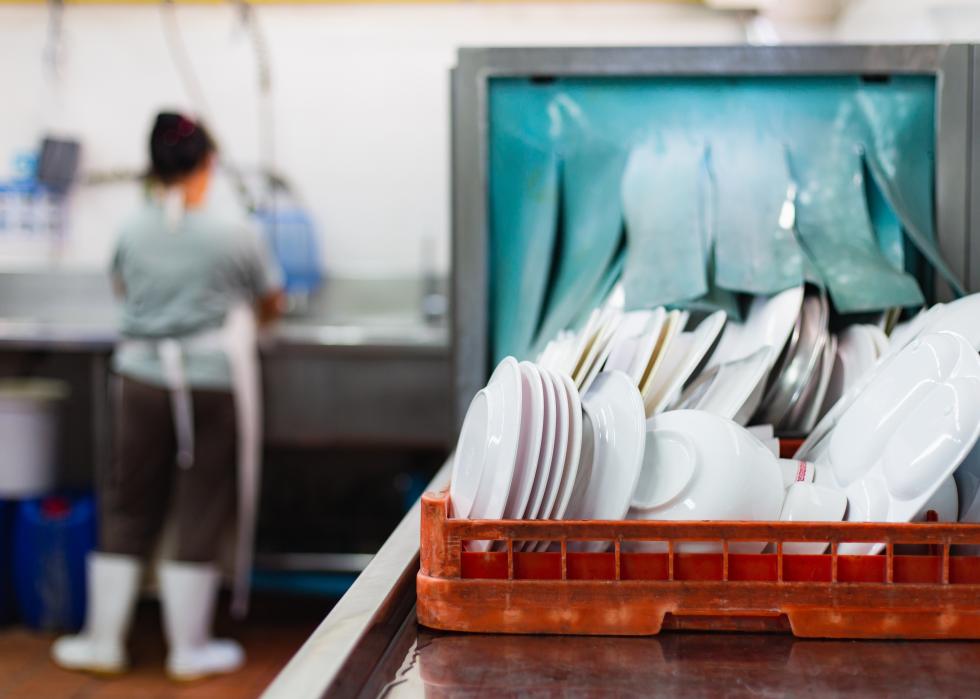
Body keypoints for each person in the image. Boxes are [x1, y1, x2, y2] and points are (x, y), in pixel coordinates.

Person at [52, 112, 284, 680]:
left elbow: (122, 288)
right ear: (207, 164)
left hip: (139, 380)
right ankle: (189, 648)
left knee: (130, 502)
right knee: (199, 504)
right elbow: (271, 301)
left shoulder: (132, 229)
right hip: (211, 382)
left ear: (152, 169)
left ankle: (104, 641)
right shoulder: (235, 234)